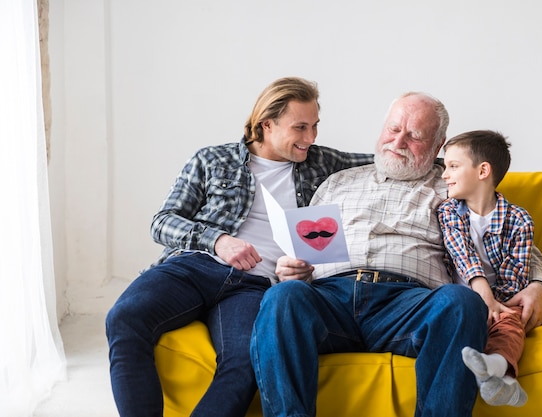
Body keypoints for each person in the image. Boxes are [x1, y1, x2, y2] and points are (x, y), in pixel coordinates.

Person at [250, 92, 542, 417]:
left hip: (408, 304)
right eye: (393, 129)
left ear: (439, 146)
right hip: (330, 299)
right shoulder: (338, 182)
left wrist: (537, 283)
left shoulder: (451, 184)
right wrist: (292, 270)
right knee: (283, 296)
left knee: (461, 302)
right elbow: (306, 249)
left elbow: (507, 234)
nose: (399, 141)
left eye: (415, 136)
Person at [105, 77, 374, 417]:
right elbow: (162, 221)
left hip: (255, 286)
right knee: (125, 318)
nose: (311, 138)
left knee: (246, 362)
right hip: (193, 267)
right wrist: (217, 240)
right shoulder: (213, 160)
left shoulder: (322, 163)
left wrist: (450, 157)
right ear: (267, 124)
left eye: (315, 126)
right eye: (300, 127)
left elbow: (388, 161)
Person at [438, 130, 539, 407]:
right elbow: (463, 254)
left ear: (483, 171)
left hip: (502, 299)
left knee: (510, 323)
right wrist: (483, 300)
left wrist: (496, 307)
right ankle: (504, 381)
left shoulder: (519, 221)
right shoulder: (448, 211)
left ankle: (495, 366)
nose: (445, 174)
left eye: (453, 166)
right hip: (463, 297)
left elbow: (515, 276)